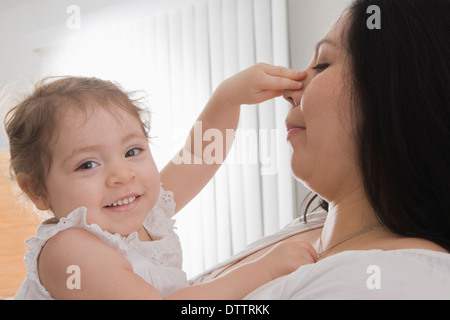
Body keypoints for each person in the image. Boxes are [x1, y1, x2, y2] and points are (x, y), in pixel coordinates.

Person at [191, 0, 450, 299]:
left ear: (394, 93)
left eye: (323, 65)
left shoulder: (392, 283)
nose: (289, 90)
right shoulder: (314, 230)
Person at [5, 63, 317, 300]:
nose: (122, 174)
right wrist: (264, 270)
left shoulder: (144, 213)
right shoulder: (69, 249)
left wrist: (229, 97)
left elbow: (198, 157)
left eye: (132, 151)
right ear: (36, 190)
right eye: (88, 164)